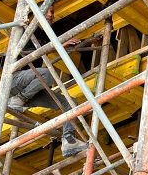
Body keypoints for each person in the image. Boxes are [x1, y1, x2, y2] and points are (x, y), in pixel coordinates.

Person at [7, 29, 89, 158]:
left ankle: (68, 140)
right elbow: (27, 52)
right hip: (13, 80)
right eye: (50, 11)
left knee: (71, 103)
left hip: (29, 89)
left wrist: (86, 42)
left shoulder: (43, 34)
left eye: (53, 12)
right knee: (47, 74)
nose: (52, 15)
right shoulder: (25, 31)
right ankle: (19, 99)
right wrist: (56, 45)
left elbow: (47, 46)